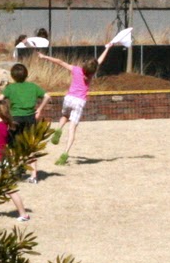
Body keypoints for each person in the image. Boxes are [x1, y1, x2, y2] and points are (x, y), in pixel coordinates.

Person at [35, 33, 122, 166]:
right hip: (80, 102)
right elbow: (100, 60)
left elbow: (59, 62)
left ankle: (59, 128)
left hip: (69, 98)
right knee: (73, 129)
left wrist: (44, 56)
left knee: (64, 115)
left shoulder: (76, 70)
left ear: (84, 65)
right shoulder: (91, 74)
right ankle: (65, 154)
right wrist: (108, 48)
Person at [2, 63, 47, 183]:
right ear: (26, 74)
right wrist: (40, 109)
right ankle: (33, 175)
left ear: (12, 76)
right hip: (30, 118)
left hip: (15, 118)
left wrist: (4, 113)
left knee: (12, 145)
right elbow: (47, 96)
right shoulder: (33, 86)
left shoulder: (10, 88)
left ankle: (15, 171)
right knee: (30, 146)